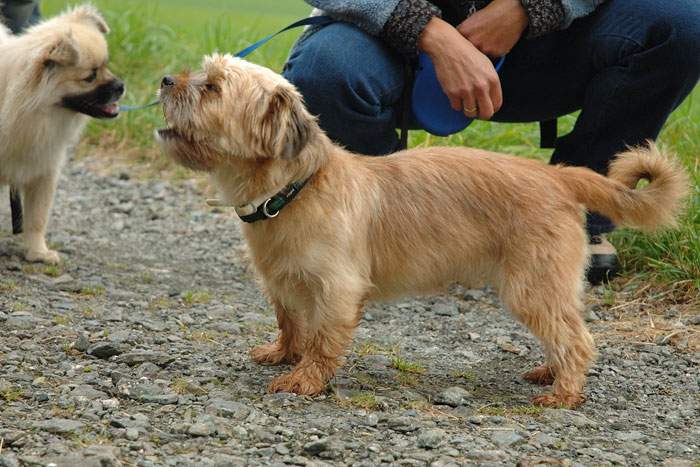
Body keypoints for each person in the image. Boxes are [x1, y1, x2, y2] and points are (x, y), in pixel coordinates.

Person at [282, 0, 700, 284]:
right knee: (325, 70)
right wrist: (427, 31)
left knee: (684, 25)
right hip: (389, 42)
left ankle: (580, 219)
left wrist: (525, 8)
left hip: (547, 42)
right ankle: (379, 235)